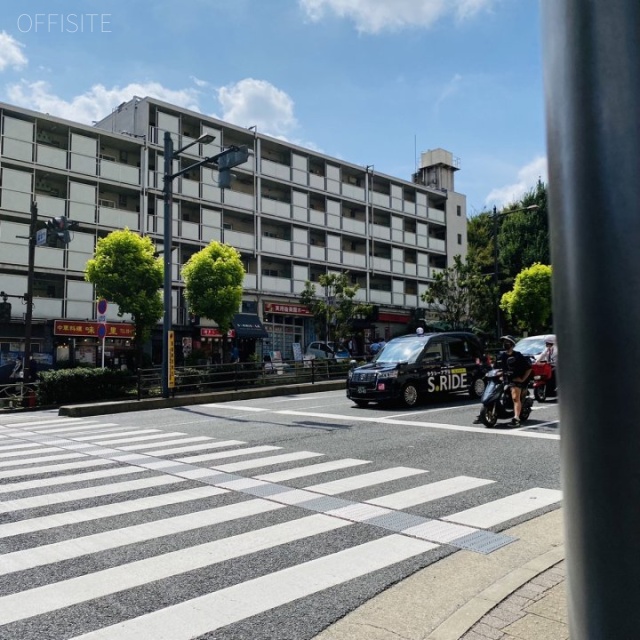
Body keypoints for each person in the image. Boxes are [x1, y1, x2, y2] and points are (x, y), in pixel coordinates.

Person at [474, 335, 532, 426]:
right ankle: (486, 413)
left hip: (515, 380)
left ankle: (516, 418)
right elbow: (496, 368)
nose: (505, 344)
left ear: (512, 344)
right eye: (504, 343)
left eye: (507, 343)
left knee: (515, 398)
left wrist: (522, 378)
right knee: (493, 391)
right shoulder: (501, 356)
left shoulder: (518, 355)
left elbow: (528, 368)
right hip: (504, 379)